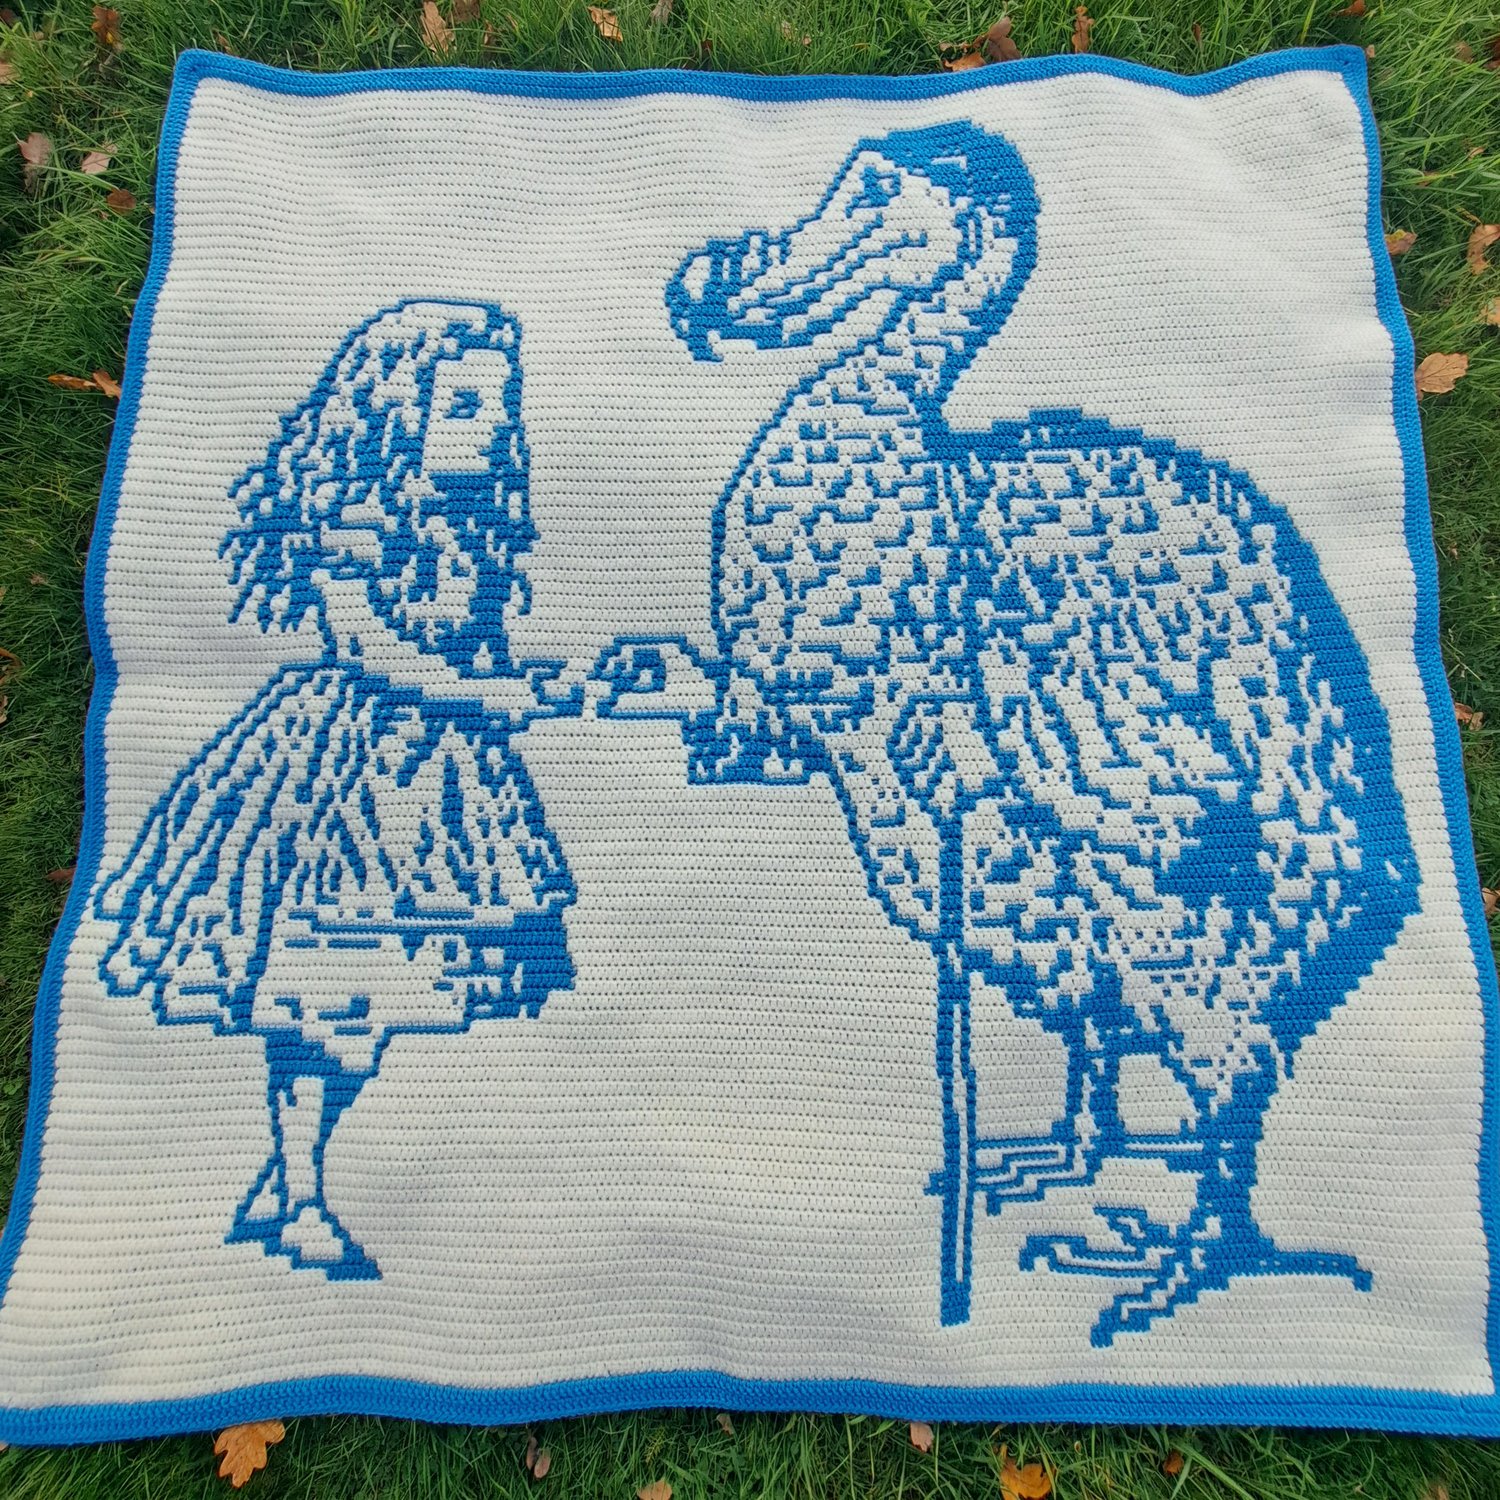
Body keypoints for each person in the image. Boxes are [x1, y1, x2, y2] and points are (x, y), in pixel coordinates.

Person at [96, 301, 579, 1278]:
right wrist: (497, 696)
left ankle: (288, 1181)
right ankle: (299, 1190)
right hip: (342, 780)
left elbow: (462, 654)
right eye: (466, 405)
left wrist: (539, 680)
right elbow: (372, 650)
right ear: (398, 410)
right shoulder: (357, 517)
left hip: (443, 781)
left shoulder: (471, 530)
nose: (492, 426)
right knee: (332, 989)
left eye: (500, 405)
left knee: (380, 1000)